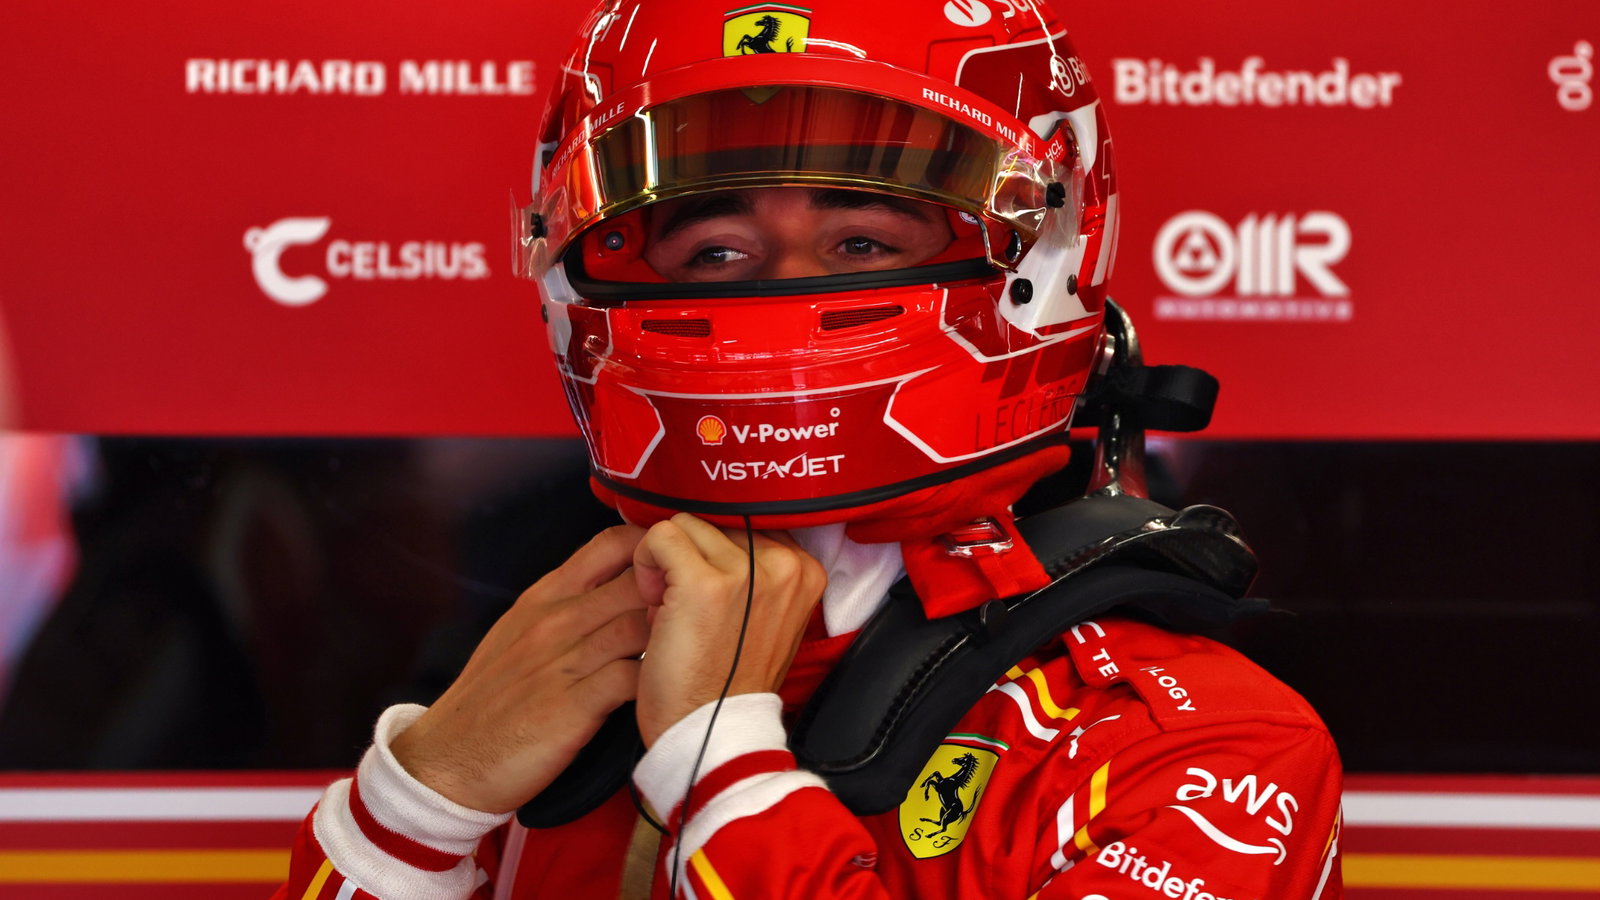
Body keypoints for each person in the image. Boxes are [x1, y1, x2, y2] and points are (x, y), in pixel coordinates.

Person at [276, 0, 1344, 897]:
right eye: (717, 251)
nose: (780, 288)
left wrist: (721, 771)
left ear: (1041, 257)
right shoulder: (545, 686)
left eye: (862, 240)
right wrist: (418, 798)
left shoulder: (1202, 750)